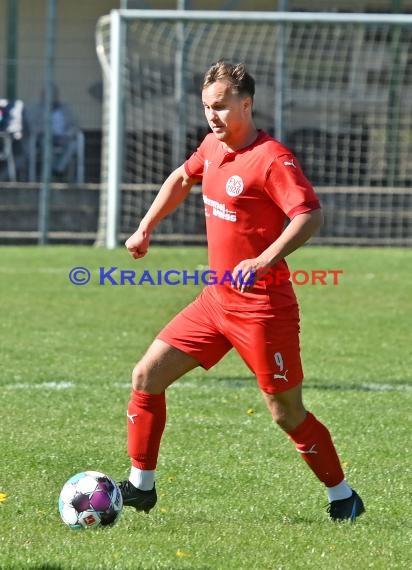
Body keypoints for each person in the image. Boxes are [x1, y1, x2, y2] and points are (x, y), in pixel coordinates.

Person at [120, 60, 365, 522]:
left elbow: (309, 215)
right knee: (146, 377)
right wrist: (145, 227)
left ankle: (343, 496)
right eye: (207, 107)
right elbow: (181, 177)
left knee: (285, 412)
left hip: (263, 310)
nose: (212, 116)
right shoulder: (213, 146)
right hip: (215, 302)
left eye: (221, 106)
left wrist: (263, 259)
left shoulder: (273, 159)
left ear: (246, 103)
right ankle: (140, 487)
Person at [26, 84, 80, 180]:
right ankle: (55, 174)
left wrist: (68, 135)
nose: (51, 96)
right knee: (46, 145)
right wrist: (46, 133)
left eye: (53, 94)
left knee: (73, 145)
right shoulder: (36, 108)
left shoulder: (65, 108)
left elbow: (74, 125)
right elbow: (32, 126)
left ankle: (57, 170)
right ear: (42, 95)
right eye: (47, 94)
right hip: (45, 137)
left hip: (64, 137)